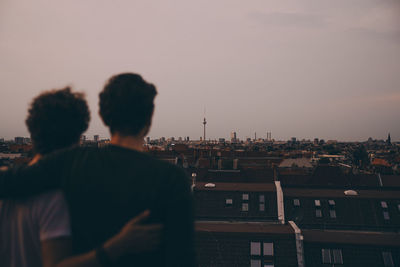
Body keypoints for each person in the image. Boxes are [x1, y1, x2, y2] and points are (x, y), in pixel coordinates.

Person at [0, 73, 196, 267]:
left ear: (103, 116)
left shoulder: (74, 162)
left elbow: (12, 180)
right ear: (149, 118)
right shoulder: (172, 179)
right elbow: (183, 258)